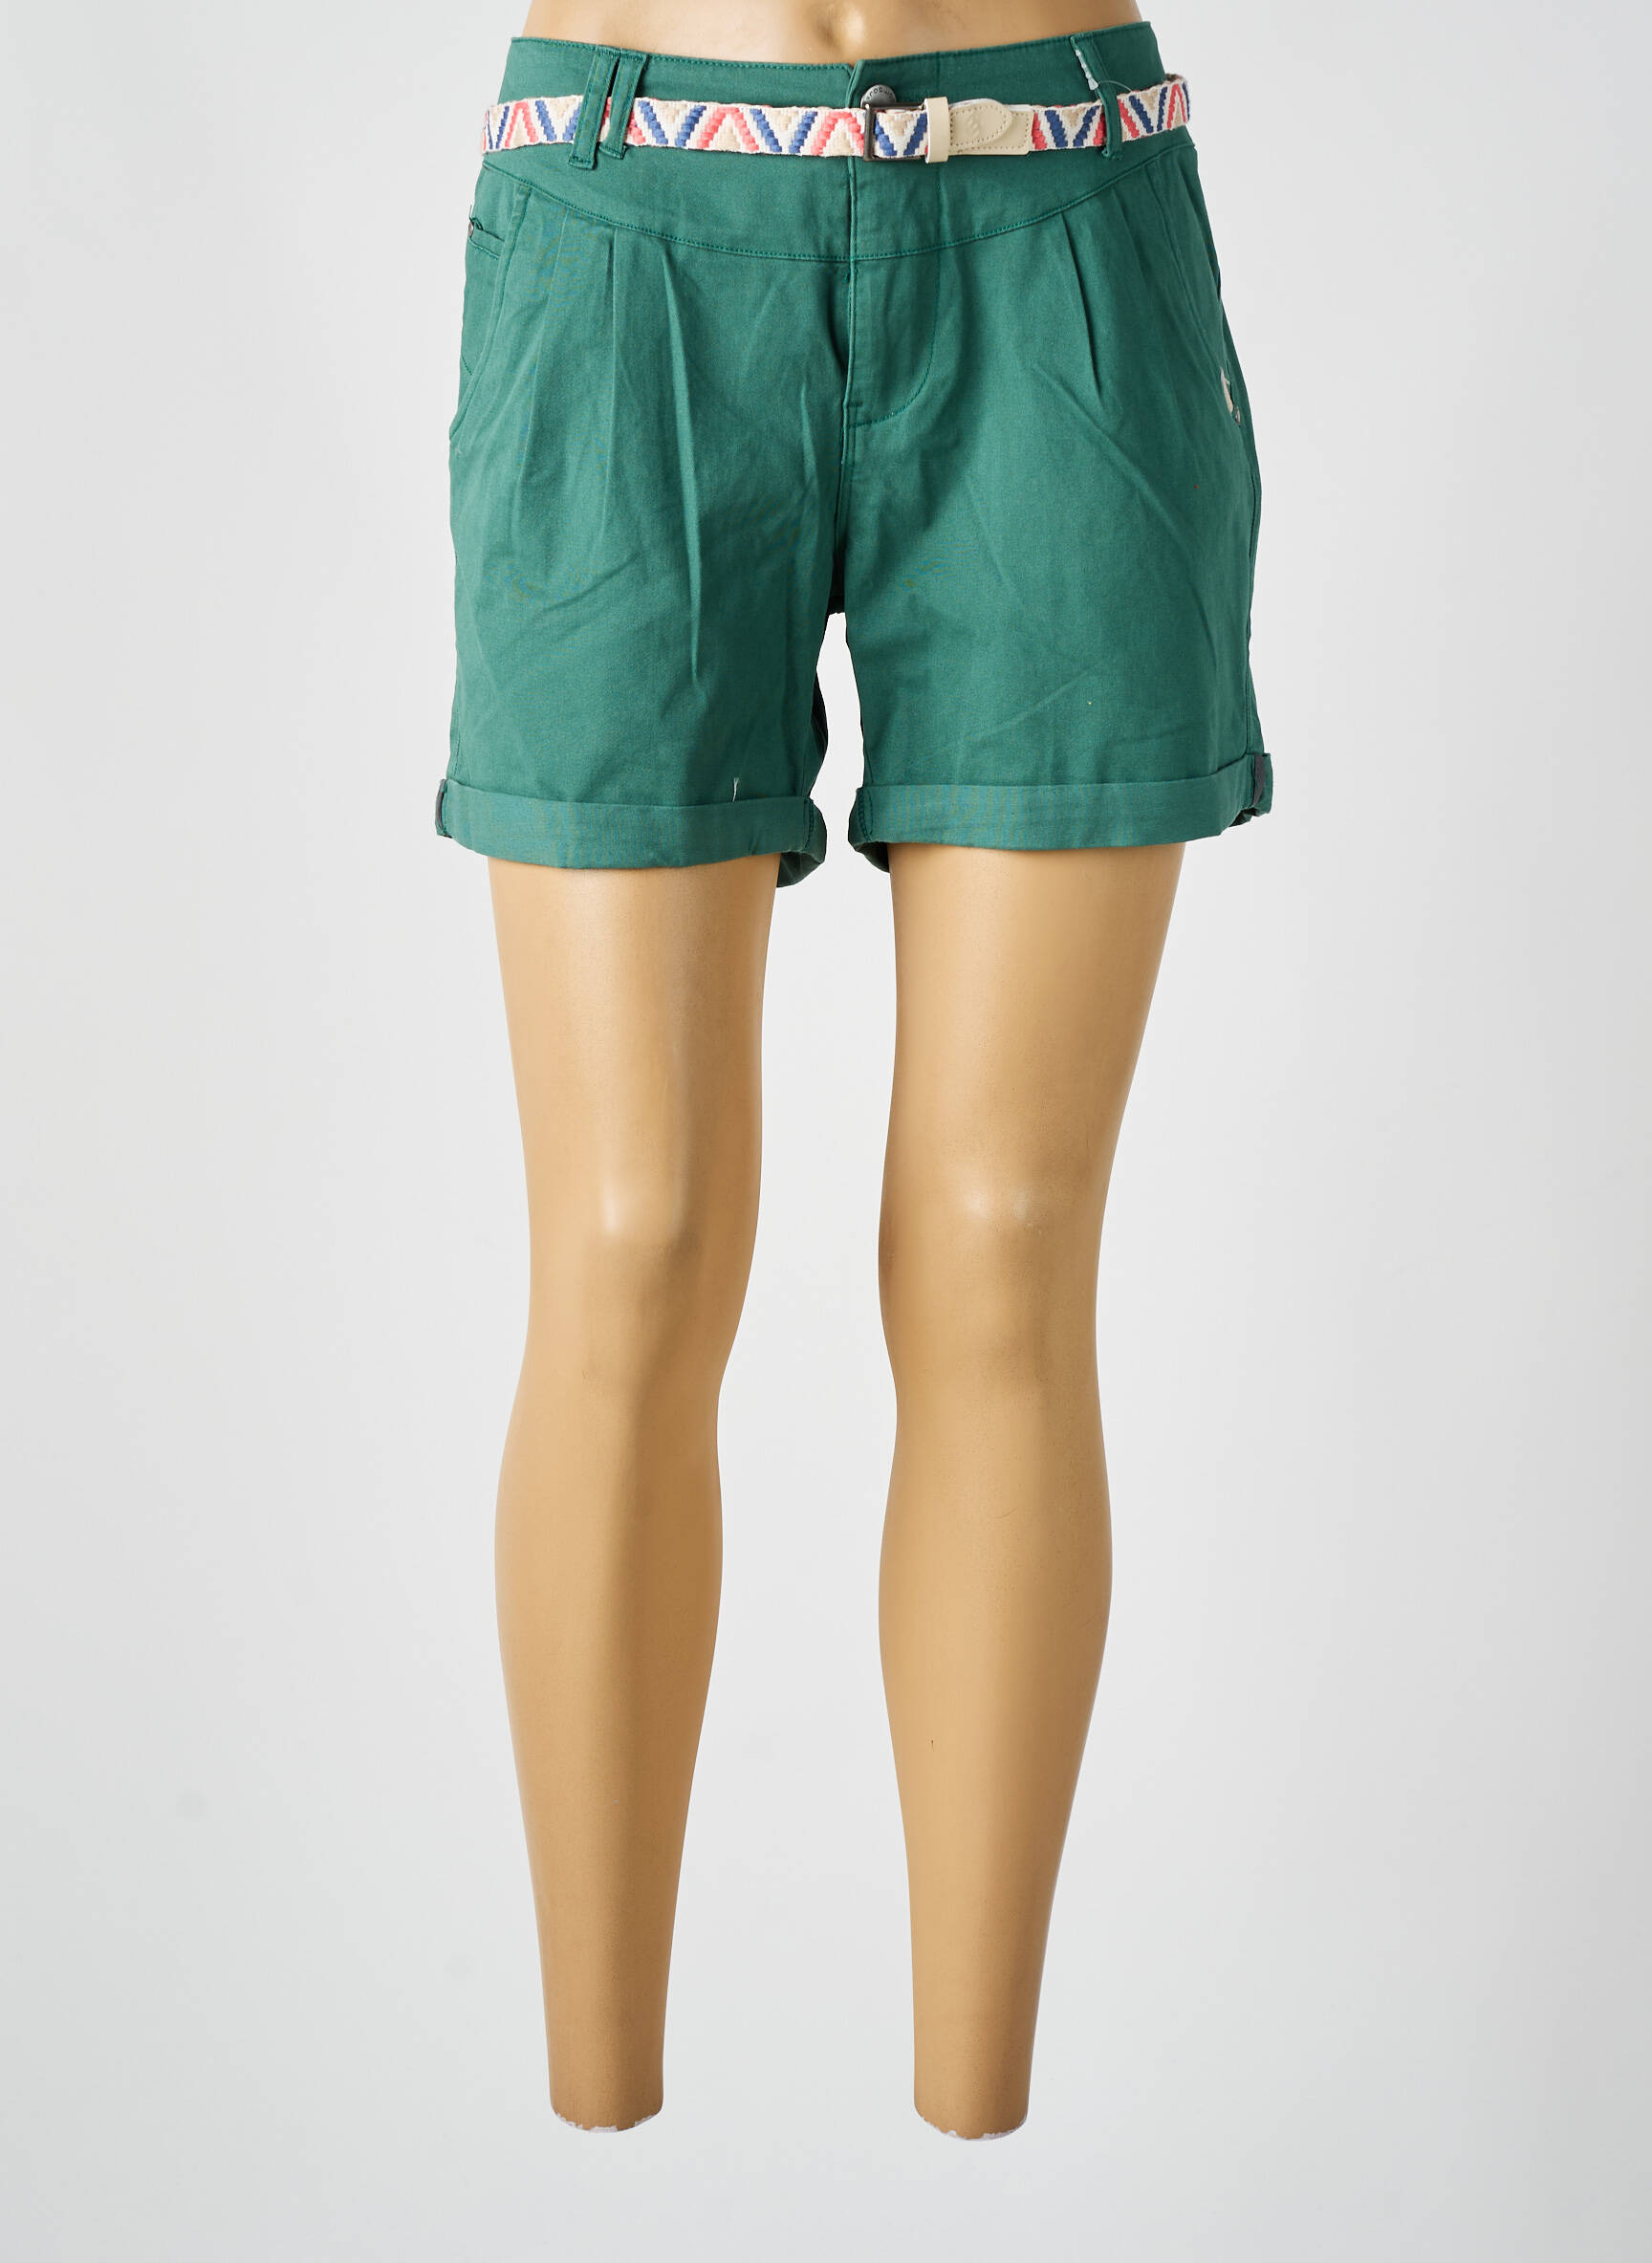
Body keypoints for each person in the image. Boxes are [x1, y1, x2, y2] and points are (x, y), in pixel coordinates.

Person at [437, 0, 1269, 2138]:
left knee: (1003, 1238)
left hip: (1055, 214)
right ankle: (597, 2112)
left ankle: (974, 2124)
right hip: (630, 229)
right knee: (631, 1238)